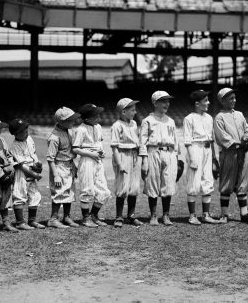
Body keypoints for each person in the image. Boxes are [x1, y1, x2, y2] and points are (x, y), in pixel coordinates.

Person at [213, 88, 248, 224]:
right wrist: (239, 142)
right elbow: (222, 138)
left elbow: (247, 129)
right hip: (229, 153)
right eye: (230, 98)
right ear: (222, 101)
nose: (234, 100)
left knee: (242, 182)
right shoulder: (219, 117)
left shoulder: (239, 114)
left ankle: (244, 214)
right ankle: (224, 214)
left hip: (242, 153)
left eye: (234, 97)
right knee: (227, 181)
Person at [140, 91, 180, 226]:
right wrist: (144, 160)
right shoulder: (148, 120)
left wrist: (176, 157)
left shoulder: (171, 121)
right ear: (155, 103)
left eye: (168, 101)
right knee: (152, 183)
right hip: (153, 152)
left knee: (168, 183)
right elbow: (142, 142)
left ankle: (166, 215)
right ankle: (153, 215)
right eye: (163, 101)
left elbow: (175, 141)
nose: (166, 104)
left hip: (168, 153)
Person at [72, 103, 112, 227]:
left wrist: (101, 152)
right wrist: (90, 154)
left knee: (104, 190)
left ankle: (94, 215)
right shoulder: (81, 129)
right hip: (87, 160)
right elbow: (75, 148)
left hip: (97, 160)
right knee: (87, 189)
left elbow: (99, 143)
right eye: (95, 115)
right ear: (87, 118)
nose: (99, 117)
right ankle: (85, 218)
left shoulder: (98, 127)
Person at [183, 90, 219, 225]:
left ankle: (206, 214)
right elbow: (187, 140)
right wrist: (192, 158)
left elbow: (212, 139)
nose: (208, 103)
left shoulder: (209, 117)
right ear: (197, 104)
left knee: (208, 180)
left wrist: (214, 158)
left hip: (207, 149)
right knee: (194, 181)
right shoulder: (189, 118)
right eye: (205, 101)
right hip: (195, 148)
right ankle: (192, 215)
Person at [111, 98, 144, 228]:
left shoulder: (134, 124)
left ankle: (131, 216)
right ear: (123, 112)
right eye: (132, 110)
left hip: (133, 155)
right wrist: (119, 164)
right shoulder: (116, 125)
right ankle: (119, 216)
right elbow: (114, 147)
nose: (135, 112)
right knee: (122, 186)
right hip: (122, 155)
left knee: (134, 187)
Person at [46, 107, 81, 229]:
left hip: (69, 165)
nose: (74, 122)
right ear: (62, 121)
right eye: (70, 120)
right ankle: (53, 219)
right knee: (59, 191)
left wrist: (74, 166)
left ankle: (67, 217)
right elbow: (50, 158)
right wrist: (56, 175)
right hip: (59, 165)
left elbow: (70, 152)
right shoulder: (54, 137)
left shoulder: (69, 131)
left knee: (69, 192)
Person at [8, 118, 45, 230]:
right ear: (15, 134)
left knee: (35, 195)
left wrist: (37, 165)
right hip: (21, 173)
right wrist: (34, 174)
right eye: (22, 132)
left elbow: (33, 154)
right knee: (20, 195)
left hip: (31, 169)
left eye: (26, 130)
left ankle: (32, 220)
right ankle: (20, 222)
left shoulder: (29, 139)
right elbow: (21, 165)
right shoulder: (15, 146)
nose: (25, 133)